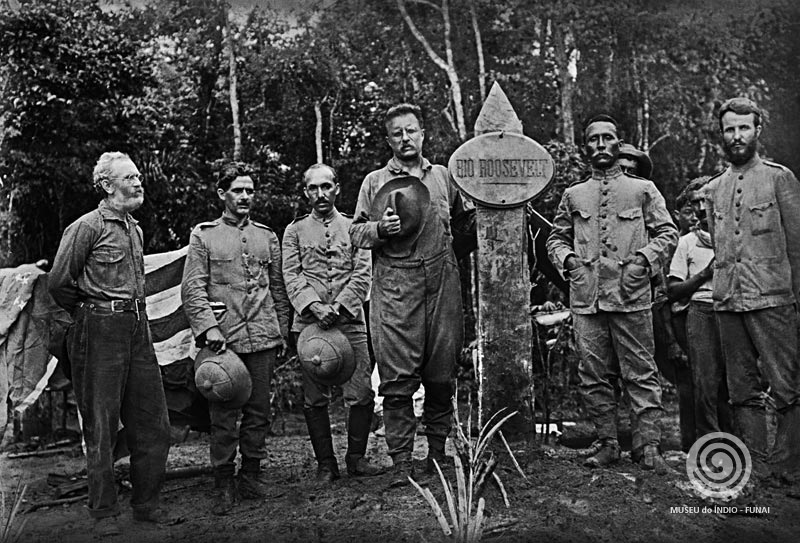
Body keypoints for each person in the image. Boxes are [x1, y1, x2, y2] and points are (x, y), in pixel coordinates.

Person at [350, 103, 475, 486]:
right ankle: (402, 463)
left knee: (441, 376)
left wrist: (493, 213)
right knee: (397, 382)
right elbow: (355, 233)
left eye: (412, 131)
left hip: (442, 284)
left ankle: (437, 456)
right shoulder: (374, 181)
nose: (406, 139)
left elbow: (465, 224)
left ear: (423, 133)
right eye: (397, 134)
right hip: (395, 289)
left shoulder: (444, 177)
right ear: (388, 140)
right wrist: (379, 230)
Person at [546, 115, 678, 472]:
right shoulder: (574, 194)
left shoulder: (643, 190)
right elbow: (555, 239)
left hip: (631, 297)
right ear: (585, 147)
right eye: (594, 139)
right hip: (586, 299)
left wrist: (642, 262)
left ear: (619, 143)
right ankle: (607, 443)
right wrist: (569, 260)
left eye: (608, 138)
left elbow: (668, 234)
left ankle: (648, 446)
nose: (601, 144)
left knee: (641, 373)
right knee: (593, 375)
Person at [49, 152, 171, 536]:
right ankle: (103, 513)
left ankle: (146, 507)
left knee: (153, 423)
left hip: (138, 327)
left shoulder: (134, 229)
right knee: (100, 425)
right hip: (99, 328)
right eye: (130, 177)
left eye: (138, 176)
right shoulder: (86, 227)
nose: (139, 182)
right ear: (106, 185)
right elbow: (57, 283)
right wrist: (92, 311)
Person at [181, 161, 290, 515]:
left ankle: (252, 477)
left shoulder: (267, 236)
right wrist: (208, 328)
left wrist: (282, 329)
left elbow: (278, 289)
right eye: (238, 190)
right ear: (222, 194)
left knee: (259, 411)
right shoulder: (204, 235)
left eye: (250, 190)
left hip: (262, 335)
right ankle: (223, 483)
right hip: (223, 341)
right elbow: (193, 288)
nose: (245, 196)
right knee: (224, 414)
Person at [704, 97, 800, 487]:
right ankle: (757, 468)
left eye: (744, 128)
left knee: (788, 387)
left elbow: (797, 246)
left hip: (774, 299)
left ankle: (790, 468)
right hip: (728, 301)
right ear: (721, 135)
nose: (736, 136)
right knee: (741, 390)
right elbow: (719, 246)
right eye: (730, 129)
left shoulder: (781, 178)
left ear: (758, 131)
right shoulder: (713, 189)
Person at [282, 163, 382, 482]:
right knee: (314, 397)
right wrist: (314, 306)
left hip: (350, 320)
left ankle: (356, 459)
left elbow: (363, 272)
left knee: (362, 392)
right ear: (305, 192)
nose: (321, 194)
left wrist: (338, 306)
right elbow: (291, 274)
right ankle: (326, 464)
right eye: (313, 188)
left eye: (327, 186)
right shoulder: (294, 231)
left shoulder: (356, 227)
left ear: (337, 188)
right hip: (311, 325)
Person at [668, 178, 731, 440]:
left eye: (709, 202)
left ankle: (738, 443)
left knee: (735, 383)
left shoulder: (733, 236)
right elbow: (672, 290)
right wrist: (705, 274)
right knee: (704, 383)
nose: (704, 209)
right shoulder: (687, 243)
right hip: (701, 311)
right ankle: (710, 444)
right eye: (697, 204)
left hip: (732, 311)